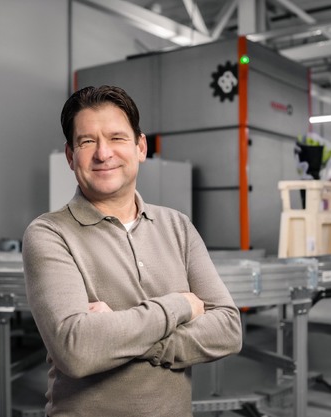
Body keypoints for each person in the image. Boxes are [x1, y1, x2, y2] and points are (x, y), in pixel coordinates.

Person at [22, 85, 242, 417]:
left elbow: (228, 329)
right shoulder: (49, 233)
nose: (103, 153)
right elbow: (76, 349)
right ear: (70, 156)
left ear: (140, 147)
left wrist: (120, 337)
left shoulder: (177, 226)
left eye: (117, 138)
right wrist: (181, 305)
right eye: (87, 141)